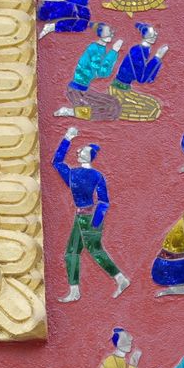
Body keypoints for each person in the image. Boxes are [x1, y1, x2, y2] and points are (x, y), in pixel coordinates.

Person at [52, 129, 131, 303]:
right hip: (80, 217)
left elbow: (104, 201)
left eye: (83, 150)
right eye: (80, 150)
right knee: (71, 253)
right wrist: (67, 139)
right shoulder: (73, 174)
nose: (79, 151)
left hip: (89, 217)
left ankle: (120, 279)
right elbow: (57, 162)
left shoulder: (95, 175)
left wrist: (96, 221)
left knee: (95, 250)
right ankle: (74, 291)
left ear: (89, 156)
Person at [55, 23, 122, 121]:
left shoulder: (101, 48)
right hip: (77, 92)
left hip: (83, 90)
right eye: (108, 31)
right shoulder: (94, 49)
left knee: (114, 104)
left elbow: (104, 72)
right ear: (100, 33)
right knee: (111, 109)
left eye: (111, 32)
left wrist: (113, 52)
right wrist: (114, 51)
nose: (111, 34)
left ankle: (75, 112)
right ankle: (71, 112)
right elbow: (101, 72)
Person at [111, 23, 167, 121]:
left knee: (154, 106)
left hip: (125, 88)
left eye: (155, 33)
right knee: (152, 108)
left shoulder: (144, 50)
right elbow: (141, 78)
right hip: (119, 91)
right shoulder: (138, 51)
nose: (155, 36)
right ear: (145, 35)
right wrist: (157, 57)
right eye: (152, 34)